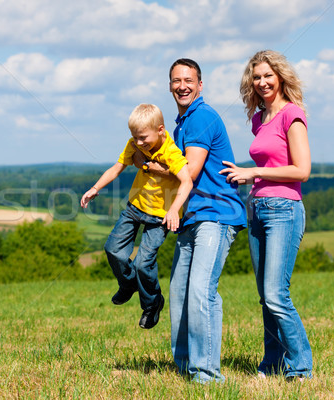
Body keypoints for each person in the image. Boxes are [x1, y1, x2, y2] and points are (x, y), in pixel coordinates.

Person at [134, 59, 246, 383]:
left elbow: (191, 173)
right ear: (170, 86)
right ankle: (184, 366)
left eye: (188, 80)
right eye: (175, 80)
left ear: (200, 85)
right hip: (192, 217)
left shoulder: (201, 117)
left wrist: (153, 168)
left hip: (216, 214)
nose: (182, 85)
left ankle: (207, 374)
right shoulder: (181, 123)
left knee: (201, 290)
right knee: (181, 292)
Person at [220, 50, 313, 380]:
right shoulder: (260, 119)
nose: (261, 82)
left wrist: (253, 172)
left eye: (267, 76)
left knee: (276, 294)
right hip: (257, 209)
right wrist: (244, 176)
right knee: (265, 297)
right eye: (256, 77)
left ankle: (300, 367)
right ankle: (271, 362)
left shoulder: (292, 114)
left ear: (280, 77)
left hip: (284, 210)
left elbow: (302, 170)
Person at [81, 103, 192, 329]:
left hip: (159, 217)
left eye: (143, 137)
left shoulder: (170, 152)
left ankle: (152, 304)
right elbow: (117, 167)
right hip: (135, 207)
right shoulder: (134, 145)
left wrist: (174, 210)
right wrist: (95, 188)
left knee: (143, 263)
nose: (138, 142)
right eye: (134, 137)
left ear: (160, 130)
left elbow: (187, 180)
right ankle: (128, 283)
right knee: (112, 249)